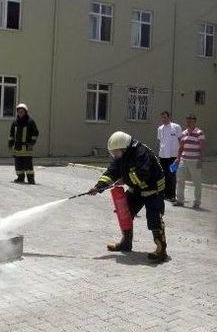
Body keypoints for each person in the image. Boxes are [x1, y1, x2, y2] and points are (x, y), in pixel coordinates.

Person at [87, 131, 168, 262]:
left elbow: (142, 174)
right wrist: (98, 187)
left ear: (124, 149)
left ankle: (161, 248)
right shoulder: (121, 157)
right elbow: (111, 172)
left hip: (153, 190)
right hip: (136, 189)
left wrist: (124, 179)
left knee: (154, 218)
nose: (114, 156)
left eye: (116, 152)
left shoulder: (141, 153)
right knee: (124, 212)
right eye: (112, 153)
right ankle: (126, 242)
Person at [174, 114, 205, 208]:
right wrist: (178, 158)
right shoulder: (184, 133)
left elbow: (201, 147)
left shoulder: (199, 132)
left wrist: (200, 159)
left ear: (194, 121)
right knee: (180, 180)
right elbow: (181, 146)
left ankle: (197, 202)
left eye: (190, 120)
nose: (188, 122)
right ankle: (180, 200)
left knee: (197, 182)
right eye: (187, 120)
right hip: (183, 160)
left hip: (195, 160)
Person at [8, 103, 39, 184]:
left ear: (25, 112)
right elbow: (11, 135)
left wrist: (31, 143)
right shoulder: (15, 122)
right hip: (17, 148)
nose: (20, 113)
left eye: (22, 111)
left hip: (27, 148)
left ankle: (31, 179)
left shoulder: (30, 121)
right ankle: (20, 178)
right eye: (19, 111)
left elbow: (35, 133)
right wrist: (10, 144)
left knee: (28, 165)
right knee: (18, 164)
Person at [157, 111, 182, 202]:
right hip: (163, 156)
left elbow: (180, 141)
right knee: (163, 175)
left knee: (172, 175)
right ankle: (165, 194)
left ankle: (172, 195)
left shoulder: (176, 127)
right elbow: (160, 141)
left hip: (173, 156)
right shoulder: (160, 128)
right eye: (162, 117)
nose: (164, 119)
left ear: (169, 117)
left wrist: (180, 155)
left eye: (165, 117)